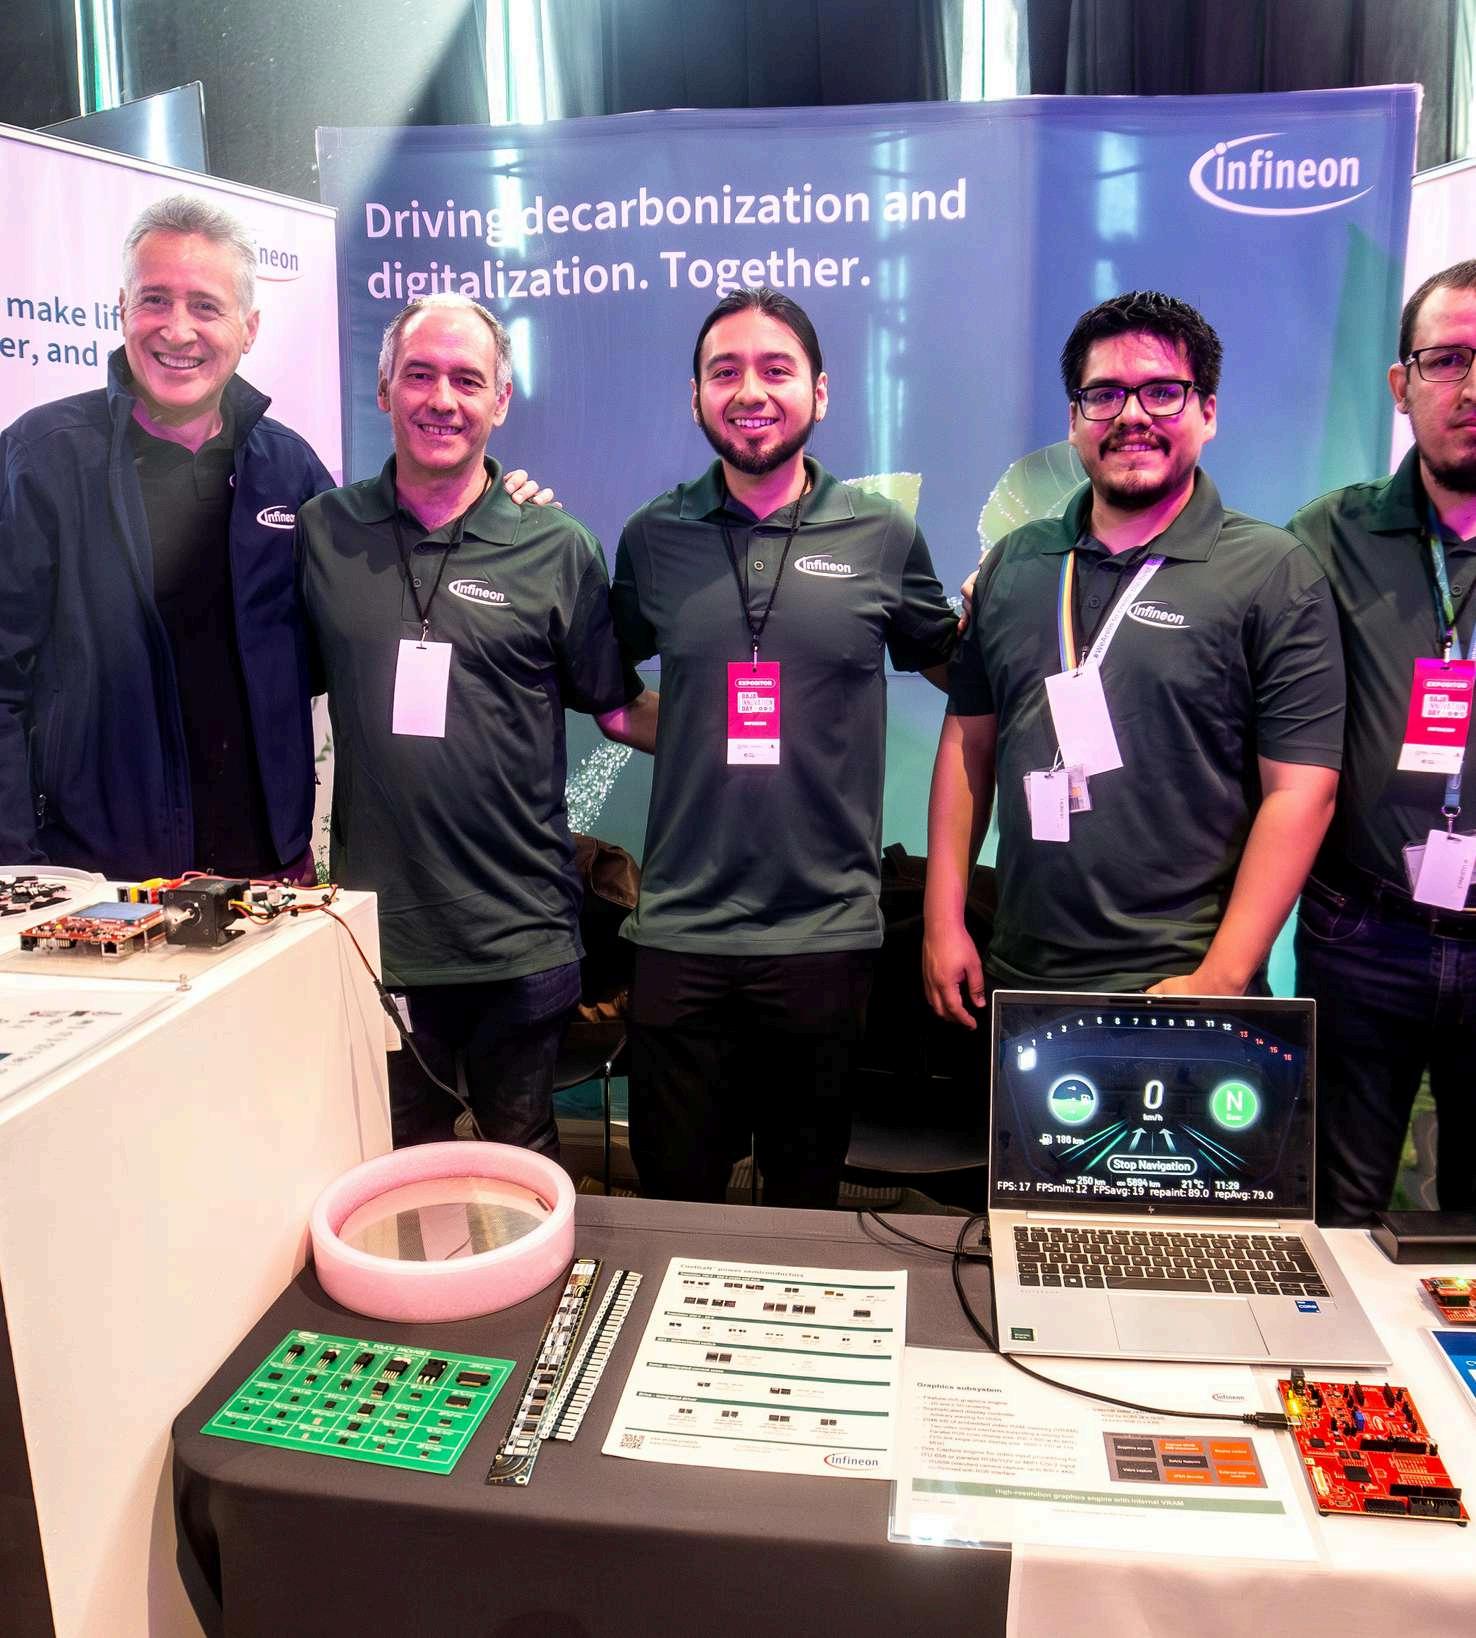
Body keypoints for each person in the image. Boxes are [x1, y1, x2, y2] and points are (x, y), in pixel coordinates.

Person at [610, 286, 958, 1207]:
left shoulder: (882, 534)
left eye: (777, 369)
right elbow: (608, 696)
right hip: (680, 929)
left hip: (825, 932)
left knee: (804, 1207)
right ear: (696, 396)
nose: (751, 391)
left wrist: (1016, 607)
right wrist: (693, 732)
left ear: (821, 392)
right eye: (725, 371)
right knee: (674, 1201)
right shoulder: (653, 538)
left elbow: (958, 672)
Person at [296, 293, 656, 1156]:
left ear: (500, 400)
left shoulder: (557, 546)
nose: (442, 400)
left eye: (467, 380)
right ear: (383, 389)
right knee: (394, 1167)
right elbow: (273, 696)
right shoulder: (323, 533)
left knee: (521, 1162)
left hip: (519, 935)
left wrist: (759, 737)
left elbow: (616, 708)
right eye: (419, 375)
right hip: (380, 935)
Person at [924, 290, 1343, 1021]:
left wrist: (1222, 977)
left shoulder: (1273, 572)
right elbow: (969, 742)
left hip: (1186, 979)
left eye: (1162, 392)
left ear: (1207, 412)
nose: (1131, 415)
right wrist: (942, 920)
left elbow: (1301, 791)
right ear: (1074, 419)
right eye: (1105, 395)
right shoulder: (1016, 563)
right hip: (1021, 971)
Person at [0, 193, 331, 881]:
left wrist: (492, 501)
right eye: (155, 300)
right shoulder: (43, 457)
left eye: (206, 306)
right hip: (98, 885)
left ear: (249, 328)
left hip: (270, 874)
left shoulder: (289, 468)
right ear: (122, 308)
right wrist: (21, 871)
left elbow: (361, 620)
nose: (178, 331)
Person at [1288, 259, 1476, 1225]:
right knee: (1340, 1220)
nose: (1472, 388)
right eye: (1449, 360)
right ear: (1402, 385)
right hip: (1363, 931)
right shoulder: (1329, 536)